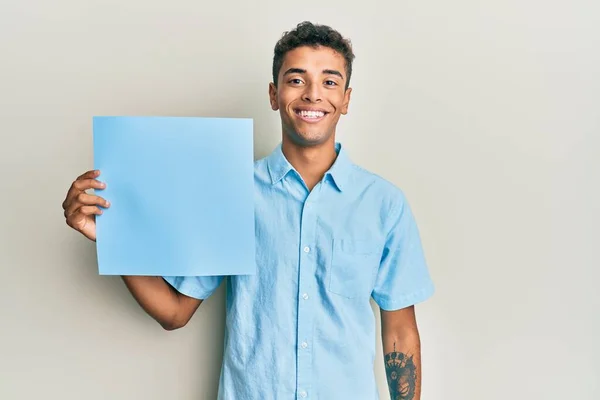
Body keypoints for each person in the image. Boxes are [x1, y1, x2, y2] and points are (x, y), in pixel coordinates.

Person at [62, 21, 435, 400]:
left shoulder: (384, 204)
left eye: (329, 81)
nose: (312, 95)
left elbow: (400, 332)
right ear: (274, 95)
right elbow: (174, 312)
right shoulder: (232, 192)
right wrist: (113, 236)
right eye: (296, 80)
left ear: (346, 98)